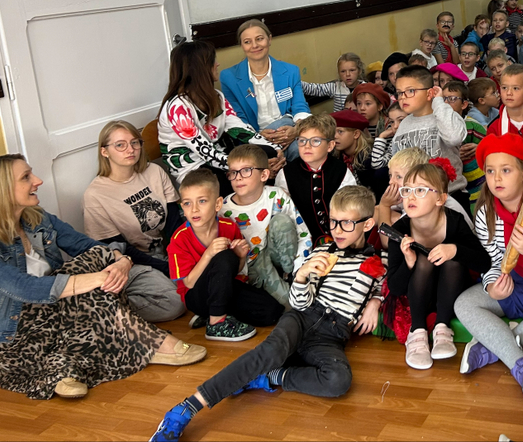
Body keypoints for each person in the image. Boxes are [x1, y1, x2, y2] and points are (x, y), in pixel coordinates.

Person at [149, 186, 387, 442]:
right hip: (303, 317)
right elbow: (299, 303)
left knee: (339, 381)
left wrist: (375, 301)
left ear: (367, 224)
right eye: (333, 222)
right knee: (270, 351)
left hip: (332, 335)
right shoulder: (322, 253)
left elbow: (387, 285)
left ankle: (272, 376)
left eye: (347, 223)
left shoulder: (380, 260)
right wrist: (302, 276)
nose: (337, 230)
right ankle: (187, 407)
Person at [0, 154, 205, 400]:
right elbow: (22, 287)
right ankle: (149, 343)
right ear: (1, 188)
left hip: (56, 315)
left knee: (95, 261)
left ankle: (65, 368)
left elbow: (86, 246)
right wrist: (97, 279)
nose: (38, 180)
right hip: (12, 337)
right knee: (88, 281)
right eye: (26, 177)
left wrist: (121, 260)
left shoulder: (37, 218)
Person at [455, 134, 523, 400]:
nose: (497, 178)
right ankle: (519, 362)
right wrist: (492, 286)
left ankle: (500, 341)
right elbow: (491, 260)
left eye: (506, 170)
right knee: (464, 304)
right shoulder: (485, 212)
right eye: (490, 171)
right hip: (511, 286)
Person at [387, 160, 490, 369]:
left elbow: (484, 262)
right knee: (422, 261)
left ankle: (442, 327)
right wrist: (409, 263)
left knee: (452, 259)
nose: (411, 197)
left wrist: (455, 250)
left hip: (449, 293)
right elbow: (395, 287)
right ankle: (417, 331)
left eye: (421, 190)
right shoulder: (399, 229)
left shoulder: (454, 221)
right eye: (407, 190)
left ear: (440, 199)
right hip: (417, 296)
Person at [168, 169, 284, 341]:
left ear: (217, 204)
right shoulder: (179, 238)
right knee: (224, 256)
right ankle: (216, 323)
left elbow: (232, 272)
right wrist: (209, 254)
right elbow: (189, 283)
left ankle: (212, 314)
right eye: (187, 203)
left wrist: (241, 256)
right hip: (197, 297)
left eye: (202, 201)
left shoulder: (228, 226)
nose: (194, 209)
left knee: (272, 311)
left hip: (225, 289)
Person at [158, 40, 280, 198]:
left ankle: (267, 202)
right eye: (212, 61)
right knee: (232, 182)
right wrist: (247, 167)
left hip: (220, 157)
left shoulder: (217, 97)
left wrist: (276, 149)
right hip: (194, 169)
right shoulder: (177, 108)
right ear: (200, 69)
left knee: (267, 153)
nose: (217, 64)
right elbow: (206, 153)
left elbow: (241, 130)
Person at [84, 120, 182, 288]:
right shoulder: (95, 196)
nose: (130, 150)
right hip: (132, 262)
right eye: (120, 145)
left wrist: (181, 256)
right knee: (175, 298)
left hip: (167, 251)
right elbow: (118, 248)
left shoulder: (154, 171)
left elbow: (174, 223)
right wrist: (167, 268)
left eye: (134, 143)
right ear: (104, 151)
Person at [220, 145, 312, 307]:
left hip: (280, 256)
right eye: (233, 172)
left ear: (264, 175)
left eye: (246, 170)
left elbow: (303, 235)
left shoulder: (276, 195)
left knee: (282, 221)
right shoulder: (224, 209)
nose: (238, 178)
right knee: (291, 304)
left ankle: (289, 275)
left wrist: (299, 271)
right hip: (253, 264)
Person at [372, 65, 469, 208]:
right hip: (416, 199)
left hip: (450, 195)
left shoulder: (446, 115)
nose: (403, 97)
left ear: (429, 93)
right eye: (400, 93)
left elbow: (454, 137)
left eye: (410, 91)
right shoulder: (403, 125)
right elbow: (397, 163)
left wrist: (438, 101)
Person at [220, 20, 311, 163]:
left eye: (259, 39)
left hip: (289, 130)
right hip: (255, 137)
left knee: (303, 148)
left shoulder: (290, 71)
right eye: (247, 42)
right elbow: (237, 117)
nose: (255, 45)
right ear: (242, 45)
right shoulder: (228, 77)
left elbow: (299, 106)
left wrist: (297, 130)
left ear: (269, 39)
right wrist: (259, 136)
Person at [276, 114, 358, 246]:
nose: (307, 146)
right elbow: (285, 213)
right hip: (302, 240)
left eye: (315, 141)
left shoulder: (341, 171)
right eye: (302, 141)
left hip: (339, 236)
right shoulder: (286, 174)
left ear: (330, 146)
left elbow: (350, 209)